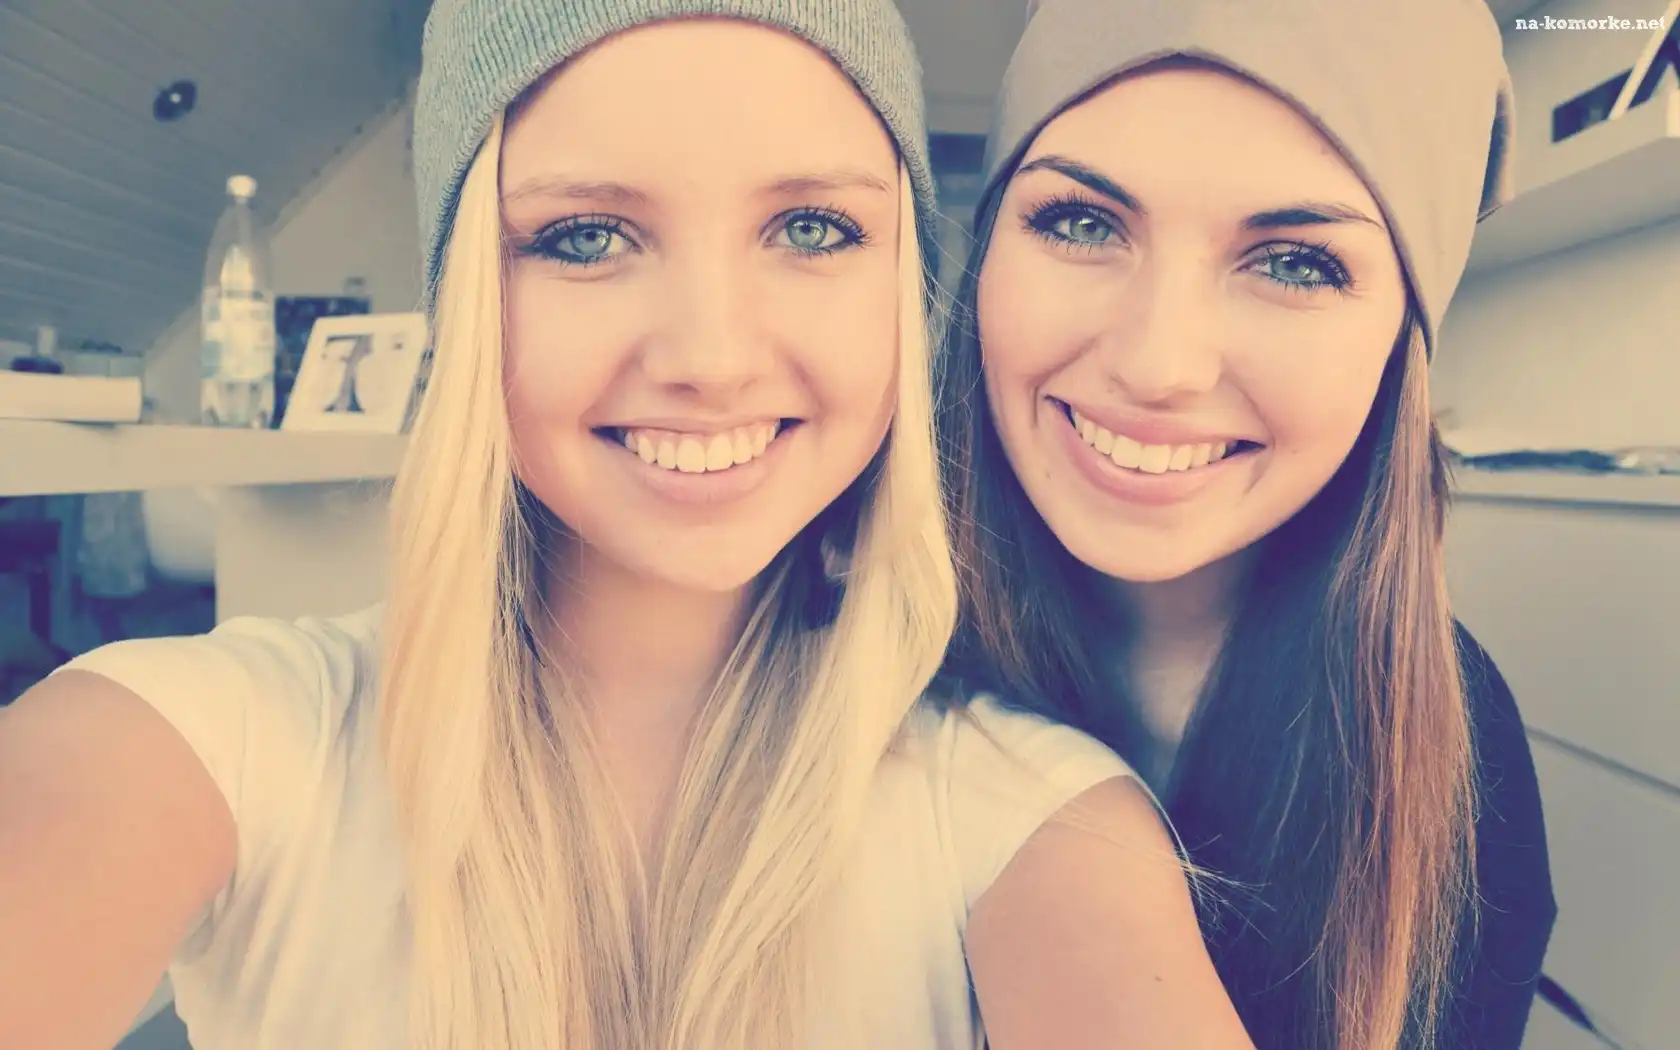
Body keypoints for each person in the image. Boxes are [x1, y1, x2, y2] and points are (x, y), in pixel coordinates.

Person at [0, 2, 1255, 1049]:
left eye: (811, 229)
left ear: (905, 293)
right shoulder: (203, 738)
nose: (710, 356)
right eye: (586, 236)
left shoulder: (1041, 821)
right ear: (470, 303)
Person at [934, 1, 1557, 1048]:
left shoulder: (1458, 756)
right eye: (1081, 222)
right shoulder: (813, 654)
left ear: (1400, 341)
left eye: (1295, 262)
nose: (1158, 364)